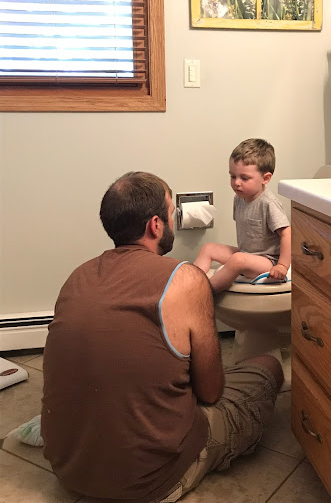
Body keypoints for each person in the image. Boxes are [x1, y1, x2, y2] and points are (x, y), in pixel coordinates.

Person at [41, 172, 283, 503]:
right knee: (269, 366)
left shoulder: (77, 276)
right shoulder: (185, 278)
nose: (172, 219)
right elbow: (210, 392)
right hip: (154, 480)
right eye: (171, 213)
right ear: (155, 225)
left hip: (69, 469)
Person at [194, 138, 291, 293]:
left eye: (244, 178)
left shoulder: (268, 203)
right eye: (233, 176)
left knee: (237, 260)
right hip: (247, 255)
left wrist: (282, 265)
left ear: (265, 178)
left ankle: (204, 292)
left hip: (268, 261)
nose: (237, 183)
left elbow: (287, 233)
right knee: (208, 248)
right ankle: (192, 284)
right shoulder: (239, 198)